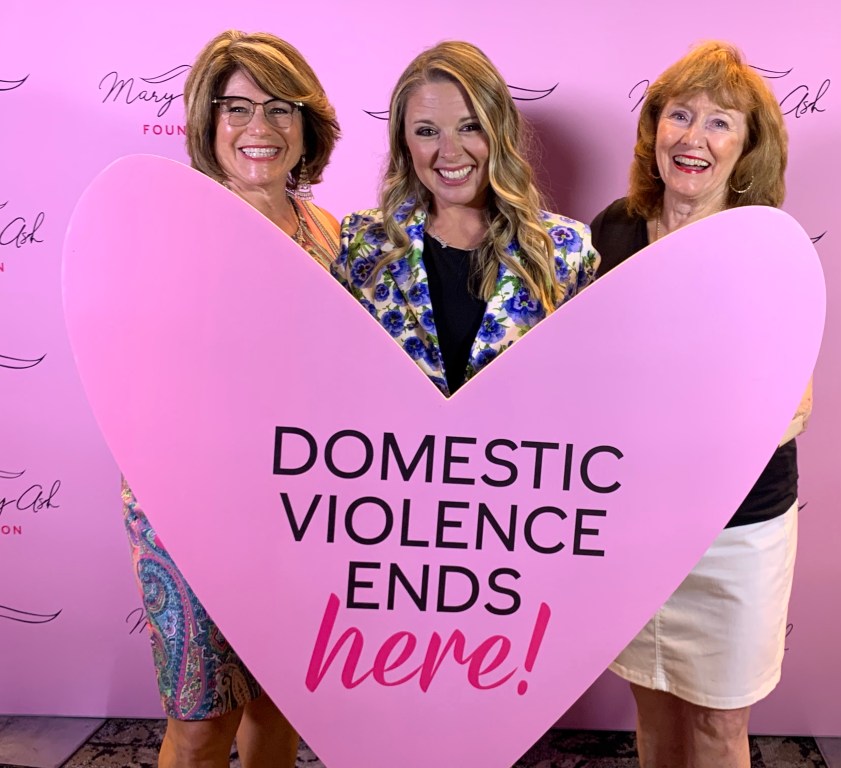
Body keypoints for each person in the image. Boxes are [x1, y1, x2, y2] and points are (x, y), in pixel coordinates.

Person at [590, 41, 813, 768]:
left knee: (719, 724)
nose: (694, 137)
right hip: (633, 520)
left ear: (747, 147)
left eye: (721, 122)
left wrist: (684, 426)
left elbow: (794, 409)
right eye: (680, 115)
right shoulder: (612, 231)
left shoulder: (767, 247)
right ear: (654, 128)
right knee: (652, 708)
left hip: (737, 529)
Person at [123, 30, 340, 767]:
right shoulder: (169, 225)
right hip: (189, 504)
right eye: (237, 107)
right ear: (207, 121)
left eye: (280, 108)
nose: (259, 127)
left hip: (302, 505)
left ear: (306, 124)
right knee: (201, 723)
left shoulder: (328, 232)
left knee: (280, 704)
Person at [334, 41, 597, 395]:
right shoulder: (364, 243)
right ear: (404, 142)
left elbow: (584, 391)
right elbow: (336, 381)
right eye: (427, 131)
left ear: (499, 130)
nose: (450, 152)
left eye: (470, 127)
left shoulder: (566, 249)